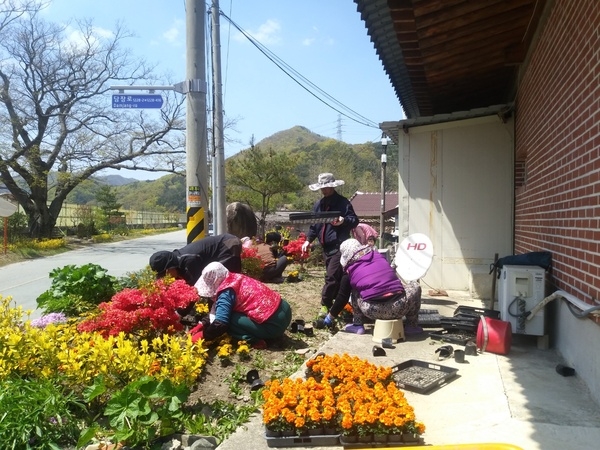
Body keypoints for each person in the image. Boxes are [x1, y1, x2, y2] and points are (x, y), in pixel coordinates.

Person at [317, 238, 423, 335]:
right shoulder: (377, 255)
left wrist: (330, 317)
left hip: (372, 311)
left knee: (355, 288)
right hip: (400, 307)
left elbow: (342, 297)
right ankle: (411, 326)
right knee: (415, 286)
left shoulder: (350, 270)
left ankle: (358, 325)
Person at [190, 262, 293, 348]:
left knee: (229, 320)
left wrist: (203, 335)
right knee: (229, 312)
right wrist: (202, 324)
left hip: (274, 326)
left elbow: (221, 323)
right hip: (285, 310)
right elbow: (219, 309)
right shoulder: (235, 278)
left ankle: (254, 340)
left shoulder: (226, 293)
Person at [301, 173, 358, 315]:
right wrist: (308, 240)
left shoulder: (343, 203)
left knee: (331, 277)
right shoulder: (318, 205)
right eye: (322, 188)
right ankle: (338, 306)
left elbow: (354, 220)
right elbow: (315, 226)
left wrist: (343, 220)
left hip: (340, 246)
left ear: (332, 187)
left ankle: (325, 305)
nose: (324, 190)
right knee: (336, 278)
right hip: (325, 247)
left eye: (326, 187)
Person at [149, 233, 242, 286]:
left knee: (224, 282)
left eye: (165, 274)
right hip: (222, 247)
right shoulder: (178, 262)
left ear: (169, 268)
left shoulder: (189, 261)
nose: (168, 278)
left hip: (228, 244)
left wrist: (180, 313)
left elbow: (196, 286)